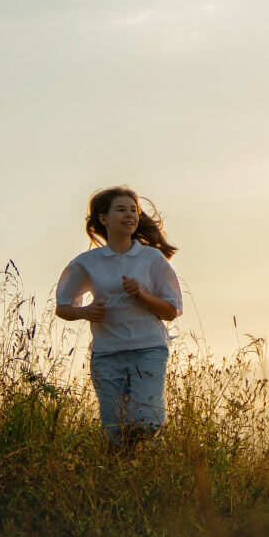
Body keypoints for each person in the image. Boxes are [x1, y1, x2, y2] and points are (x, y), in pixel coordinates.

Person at [56, 186, 183, 449]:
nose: (130, 215)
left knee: (147, 422)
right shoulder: (88, 262)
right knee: (113, 433)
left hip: (148, 350)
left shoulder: (151, 258)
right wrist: (85, 312)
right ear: (103, 219)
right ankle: (124, 479)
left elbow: (171, 311)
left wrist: (142, 294)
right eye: (121, 209)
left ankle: (146, 461)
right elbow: (63, 307)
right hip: (107, 354)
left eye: (133, 210)